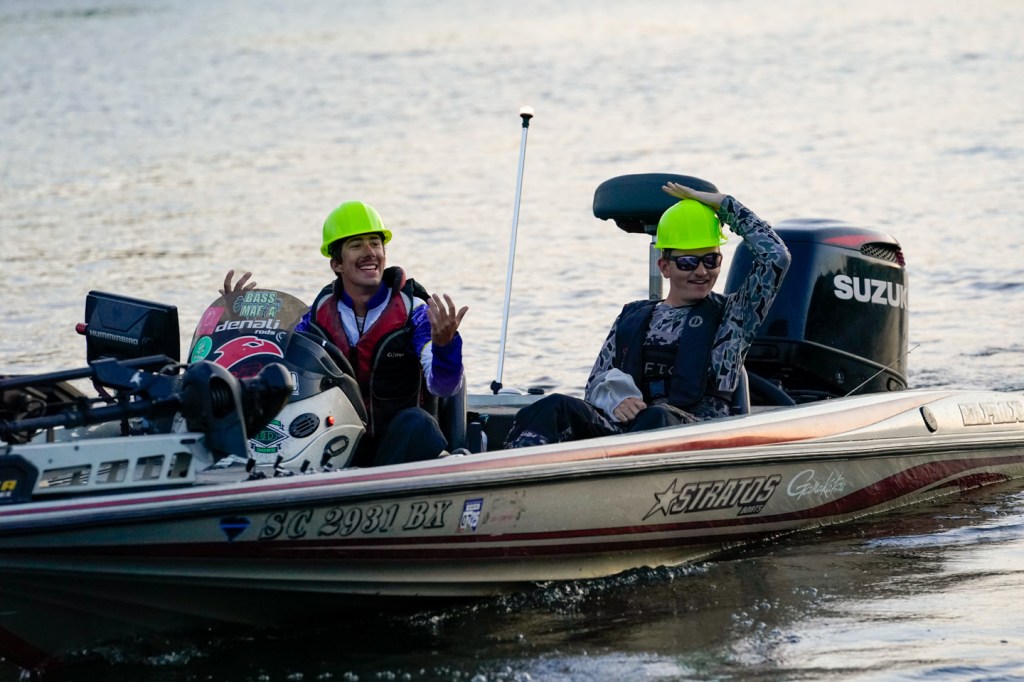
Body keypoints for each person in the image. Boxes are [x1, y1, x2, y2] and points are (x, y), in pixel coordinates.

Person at [503, 182, 791, 448]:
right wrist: (618, 398)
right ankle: (513, 472)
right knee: (553, 406)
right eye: (688, 262)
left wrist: (724, 205)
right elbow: (596, 383)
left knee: (657, 416)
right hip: (626, 435)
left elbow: (776, 257)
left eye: (711, 260)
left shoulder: (735, 316)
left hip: (697, 436)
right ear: (665, 267)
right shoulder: (632, 316)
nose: (702, 271)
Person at [222, 200, 468, 467]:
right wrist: (241, 327)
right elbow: (276, 369)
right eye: (356, 245)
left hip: (401, 447)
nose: (370, 252)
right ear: (337, 264)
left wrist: (445, 347)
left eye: (375, 243)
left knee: (417, 421)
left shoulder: (418, 313)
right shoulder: (315, 318)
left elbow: (443, 387)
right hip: (338, 445)